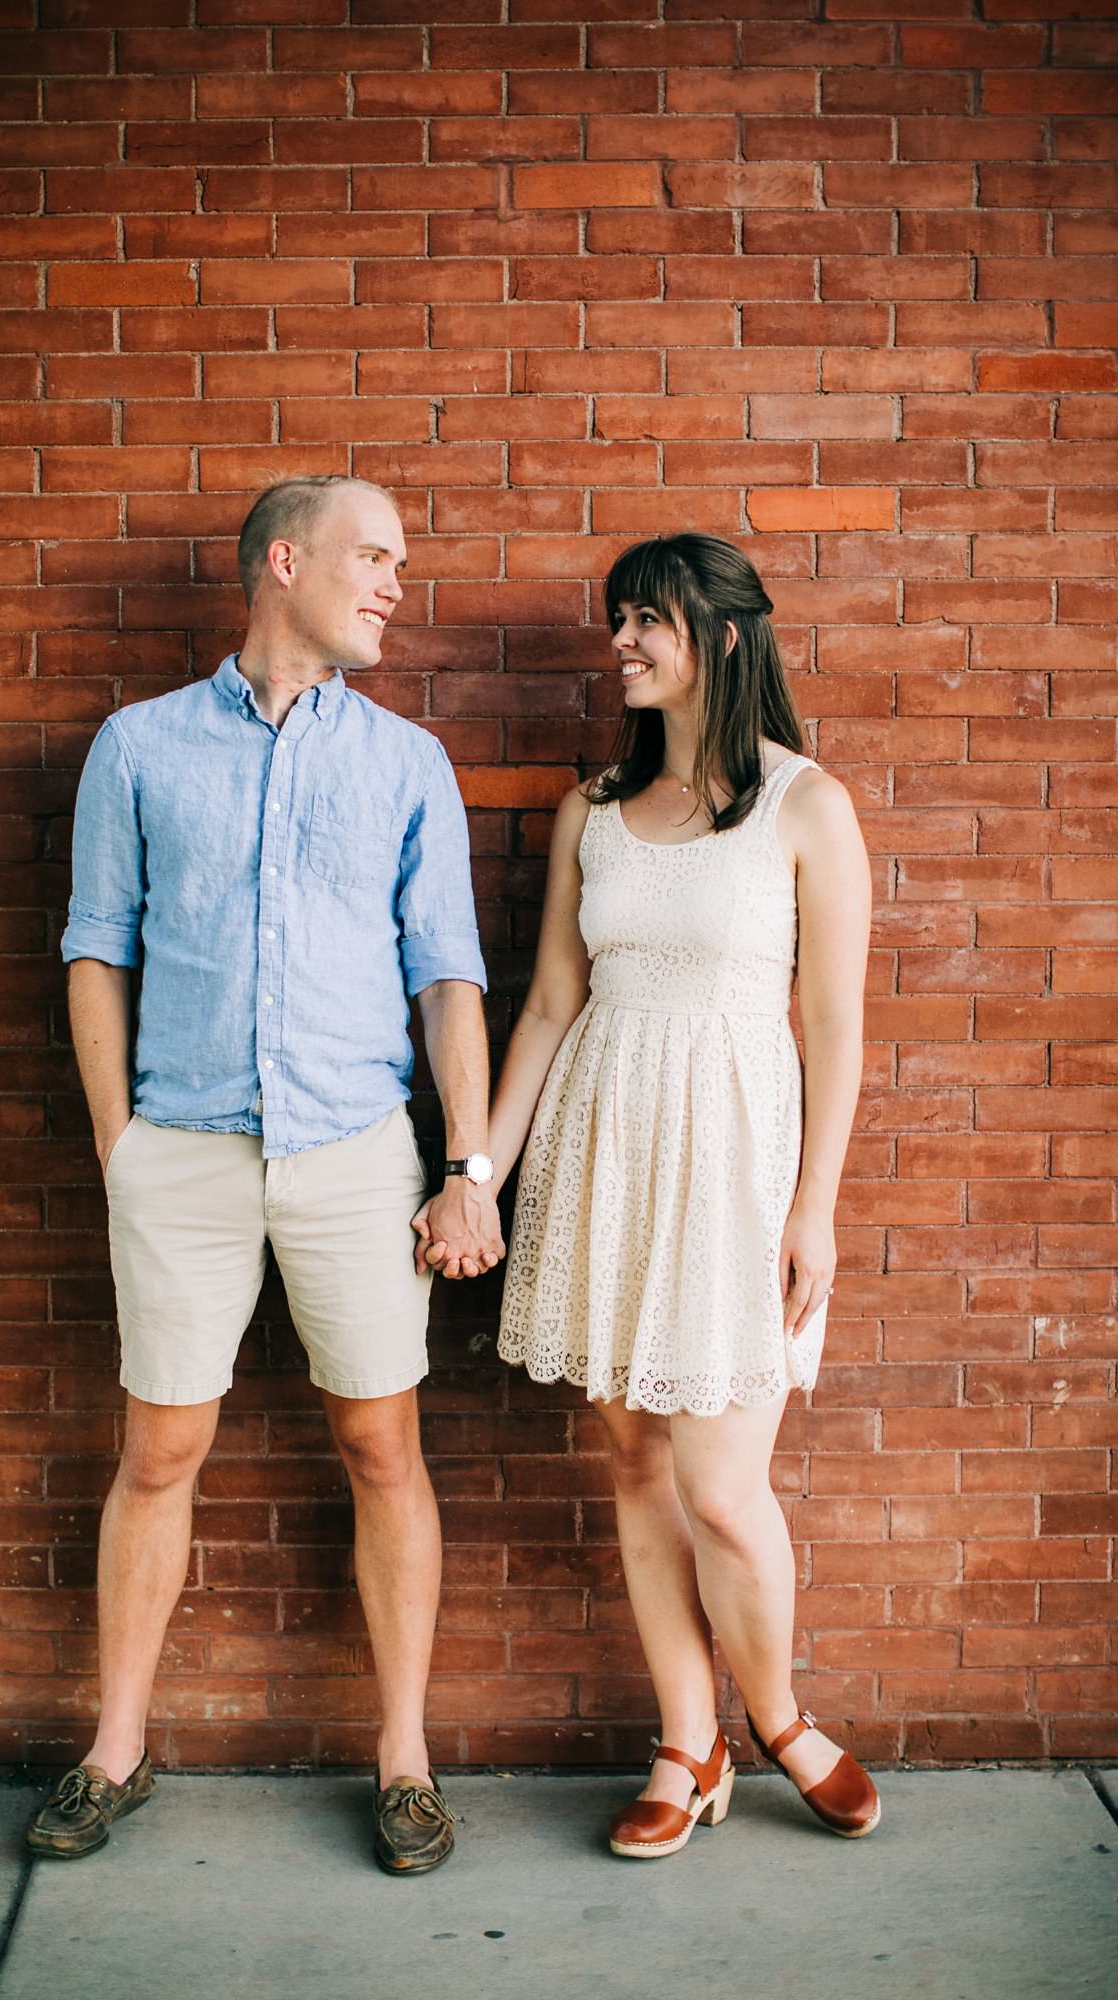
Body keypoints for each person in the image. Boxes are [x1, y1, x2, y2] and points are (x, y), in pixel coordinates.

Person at [26, 475, 504, 1874]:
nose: (392, 585)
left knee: (380, 1448)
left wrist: (465, 1167)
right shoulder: (138, 747)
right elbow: (95, 947)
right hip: (180, 1151)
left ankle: (403, 1759)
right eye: (372, 557)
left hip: (359, 1155)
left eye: (400, 563)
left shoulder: (405, 761)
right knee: (159, 1451)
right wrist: (122, 1146)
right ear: (281, 562)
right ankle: (116, 1749)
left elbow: (449, 976)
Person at [421, 531, 878, 1855]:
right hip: (605, 1149)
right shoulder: (590, 812)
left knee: (724, 1485)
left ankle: (779, 1718)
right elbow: (553, 1003)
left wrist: (815, 1208)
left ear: (720, 638)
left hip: (735, 1163)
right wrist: (476, 1175)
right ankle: (689, 1744)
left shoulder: (805, 806)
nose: (618, 643)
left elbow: (837, 1028)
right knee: (632, 1456)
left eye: (644, 621)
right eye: (615, 620)